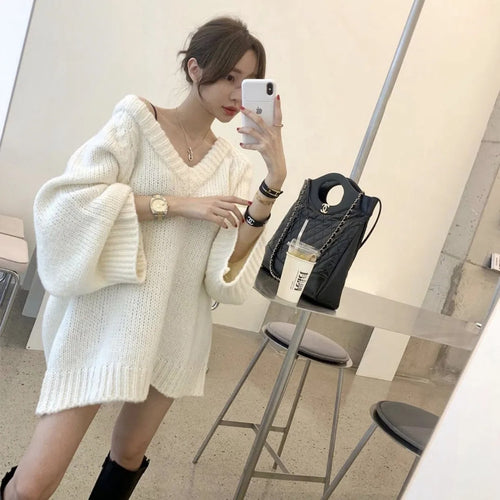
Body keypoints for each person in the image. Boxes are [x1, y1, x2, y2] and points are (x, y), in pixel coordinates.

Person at [0, 16, 286, 500]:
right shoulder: (136, 121)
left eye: (249, 82)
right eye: (229, 76)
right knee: (34, 484)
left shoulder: (235, 167)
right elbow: (67, 203)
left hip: (174, 329)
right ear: (195, 68)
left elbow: (224, 273)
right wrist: (176, 204)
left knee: (129, 455)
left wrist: (273, 180)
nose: (238, 94)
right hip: (102, 322)